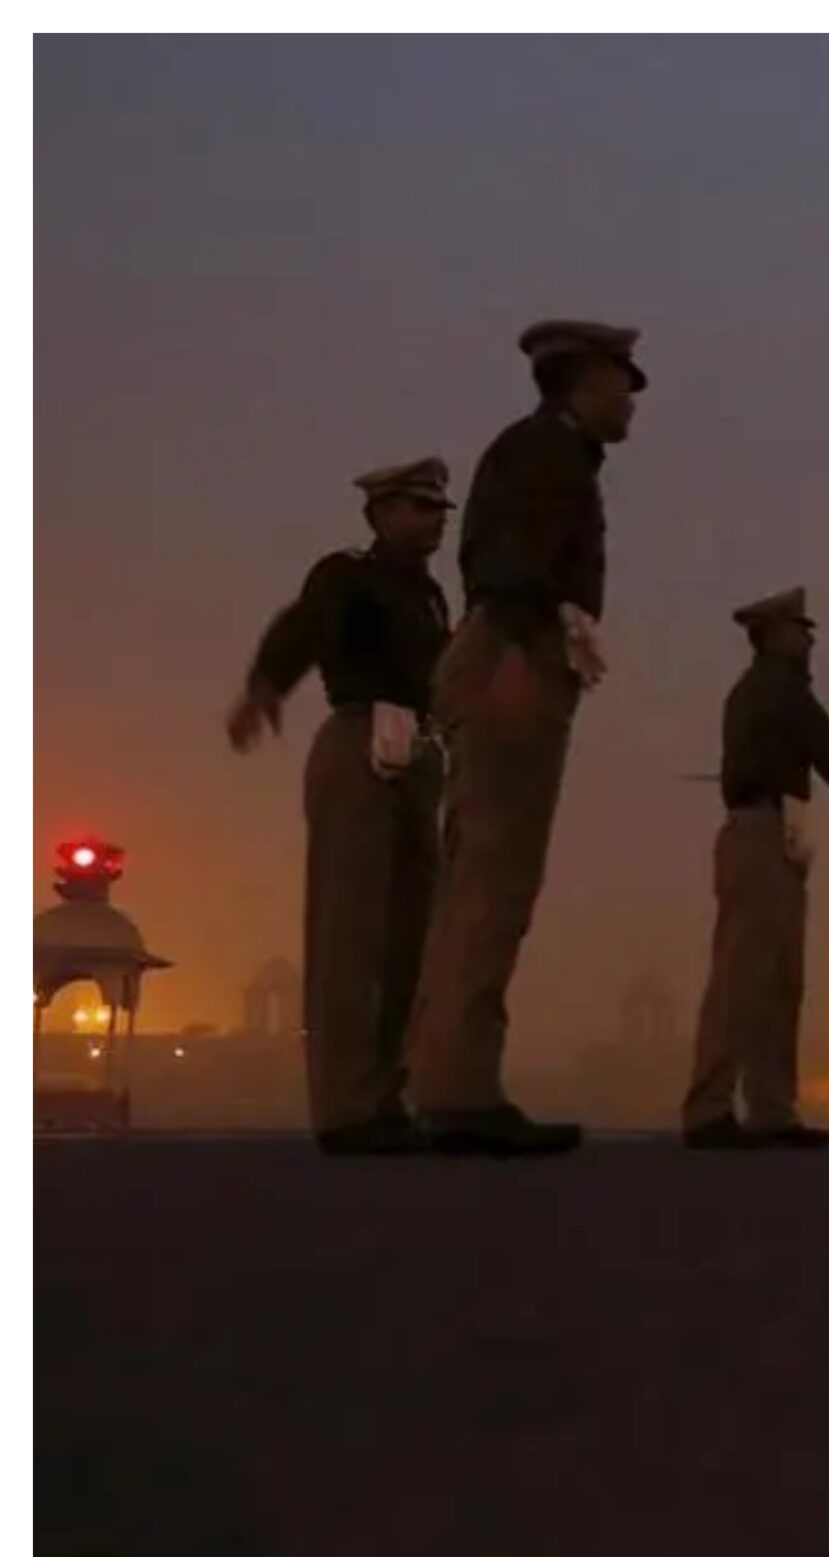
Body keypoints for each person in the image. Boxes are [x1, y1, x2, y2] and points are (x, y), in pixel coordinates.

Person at [404, 319, 645, 1156]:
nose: (632, 402)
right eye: (622, 383)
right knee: (494, 879)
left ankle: (446, 1077)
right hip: (516, 653)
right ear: (585, 381)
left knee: (482, 875)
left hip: (515, 649)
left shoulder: (548, 452)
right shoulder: (546, 453)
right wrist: (513, 664)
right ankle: (458, 1089)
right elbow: (512, 565)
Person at [226, 457, 455, 1155]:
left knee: (409, 936)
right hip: (361, 742)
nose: (434, 521)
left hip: (418, 750)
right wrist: (266, 685)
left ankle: (386, 1096)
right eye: (419, 507)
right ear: (381, 513)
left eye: (438, 510)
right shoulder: (347, 574)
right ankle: (345, 1106)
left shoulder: (430, 595)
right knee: (350, 933)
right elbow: (306, 625)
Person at [679, 587, 829, 1150]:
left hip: (779, 835)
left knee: (777, 981)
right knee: (744, 976)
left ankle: (771, 1108)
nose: (810, 641)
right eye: (801, 630)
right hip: (762, 835)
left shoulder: (763, 690)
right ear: (772, 635)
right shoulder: (778, 688)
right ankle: (710, 1107)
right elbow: (827, 747)